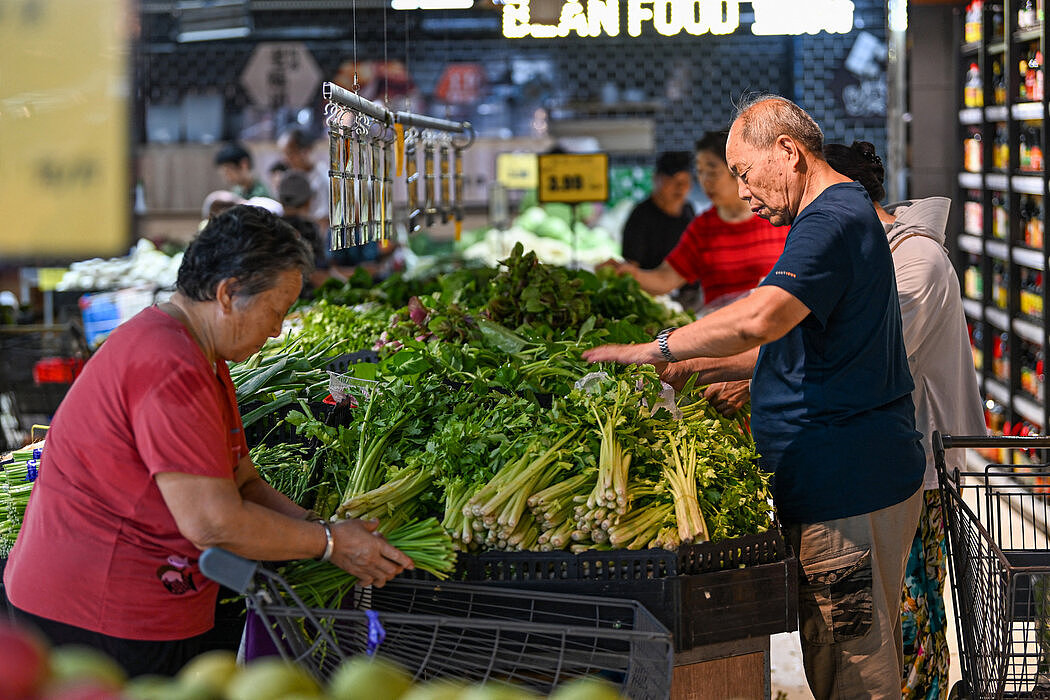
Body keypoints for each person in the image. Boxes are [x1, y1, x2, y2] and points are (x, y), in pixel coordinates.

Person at [583, 95, 925, 700]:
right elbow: (791, 346)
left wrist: (655, 348)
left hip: (849, 491)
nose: (741, 192)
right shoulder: (835, 216)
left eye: (743, 172)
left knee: (856, 675)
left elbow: (762, 320)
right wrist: (694, 365)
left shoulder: (830, 221)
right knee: (834, 659)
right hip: (842, 482)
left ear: (788, 152)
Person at [3, 205, 413, 676]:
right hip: (99, 609)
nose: (278, 328)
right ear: (227, 294)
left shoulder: (200, 354)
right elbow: (213, 521)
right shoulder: (167, 364)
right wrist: (327, 543)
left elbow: (244, 484)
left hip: (137, 599)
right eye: (274, 311)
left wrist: (325, 525)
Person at [823, 140, 986, 700]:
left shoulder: (916, 260)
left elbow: (871, 354)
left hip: (922, 472)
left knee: (915, 617)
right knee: (885, 615)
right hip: (881, 466)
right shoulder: (867, 256)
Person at [606, 130, 787, 311]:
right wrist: (629, 273)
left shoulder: (777, 217)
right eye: (700, 172)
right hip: (724, 333)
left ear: (739, 171)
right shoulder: (703, 228)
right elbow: (666, 278)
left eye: (713, 172)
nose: (705, 181)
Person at [620, 151, 695, 270]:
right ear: (656, 179)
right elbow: (631, 265)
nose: (680, 187)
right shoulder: (641, 216)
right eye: (672, 181)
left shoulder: (688, 211)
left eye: (685, 181)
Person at [278, 126, 331, 232]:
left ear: (306, 151)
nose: (285, 159)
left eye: (290, 153)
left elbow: (323, 222)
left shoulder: (322, 179)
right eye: (283, 154)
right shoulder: (290, 176)